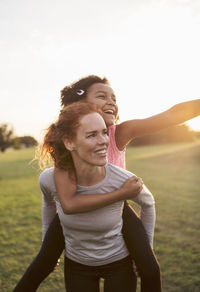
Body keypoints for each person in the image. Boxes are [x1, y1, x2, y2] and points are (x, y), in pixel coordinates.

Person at [13, 75, 200, 292]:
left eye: (114, 97)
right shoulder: (69, 144)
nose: (111, 102)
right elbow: (62, 201)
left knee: (149, 268)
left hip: (118, 203)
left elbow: (171, 115)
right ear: (79, 106)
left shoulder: (120, 132)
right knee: (42, 263)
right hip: (77, 202)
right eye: (102, 96)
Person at [39, 101, 156, 292]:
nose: (103, 140)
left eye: (103, 132)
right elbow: (48, 202)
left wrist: (145, 250)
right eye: (92, 135)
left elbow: (149, 202)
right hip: (77, 265)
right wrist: (46, 245)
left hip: (119, 263)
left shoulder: (123, 179)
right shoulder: (49, 179)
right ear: (69, 142)